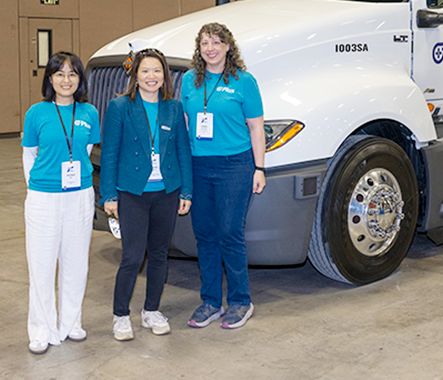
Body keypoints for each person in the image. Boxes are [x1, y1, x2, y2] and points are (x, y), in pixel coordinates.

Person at [99, 48, 193, 341]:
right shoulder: (120, 107)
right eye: (145, 71)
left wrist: (186, 190)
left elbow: (183, 152)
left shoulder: (173, 108)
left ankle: (151, 310)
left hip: (166, 192)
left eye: (157, 71)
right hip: (132, 193)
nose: (151, 77)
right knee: (131, 256)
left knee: (159, 255)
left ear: (164, 75)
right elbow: (110, 153)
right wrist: (108, 195)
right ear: (135, 76)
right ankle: (121, 315)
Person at [181, 23, 265, 330]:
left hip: (235, 166)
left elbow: (256, 127)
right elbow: (187, 122)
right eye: (205, 43)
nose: (210, 48)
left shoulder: (244, 82)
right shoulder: (190, 81)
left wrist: (259, 168)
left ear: (228, 46)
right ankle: (211, 302)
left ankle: (241, 301)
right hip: (198, 166)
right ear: (199, 48)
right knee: (204, 234)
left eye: (217, 42)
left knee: (230, 232)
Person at [22, 52, 101, 355]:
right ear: (50, 79)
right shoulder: (36, 113)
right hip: (43, 197)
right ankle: (42, 328)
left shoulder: (89, 113)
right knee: (41, 265)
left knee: (76, 263)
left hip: (79, 195)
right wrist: (39, 187)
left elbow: (87, 149)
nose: (66, 80)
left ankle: (71, 322)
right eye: (59, 74)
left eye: (72, 74)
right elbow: (29, 155)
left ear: (80, 80)